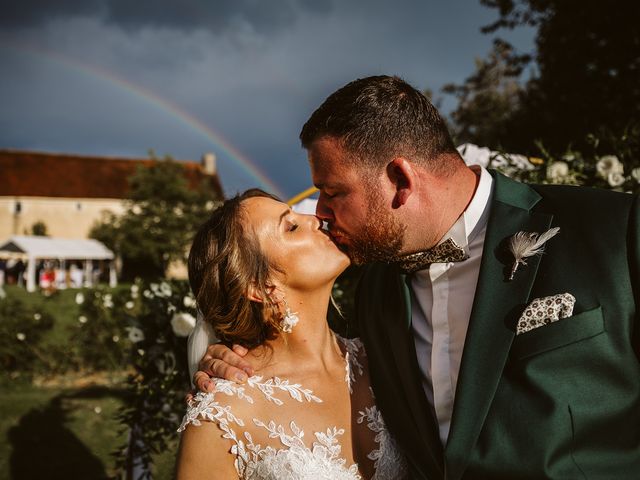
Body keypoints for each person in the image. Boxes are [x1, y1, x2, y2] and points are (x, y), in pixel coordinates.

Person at [194, 76, 640, 478]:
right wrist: (229, 359)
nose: (322, 215)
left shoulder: (611, 232)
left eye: (332, 193)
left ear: (400, 179)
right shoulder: (375, 293)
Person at [176, 189, 408, 479]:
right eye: (292, 226)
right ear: (259, 286)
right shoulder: (223, 416)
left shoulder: (387, 358)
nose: (315, 219)